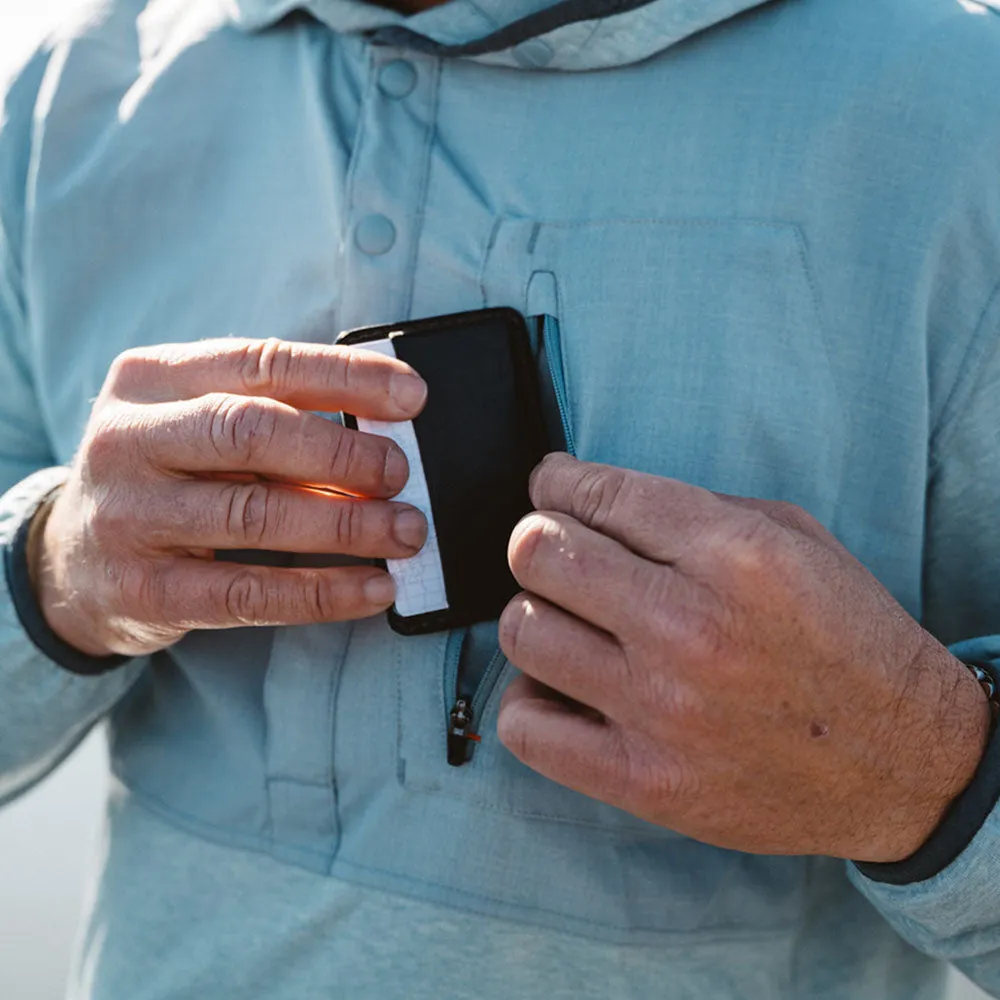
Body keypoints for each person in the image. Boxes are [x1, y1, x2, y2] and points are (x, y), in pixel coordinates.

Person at [1, 0, 1000, 996]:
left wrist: (922, 770)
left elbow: (927, 771)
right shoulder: (68, 87)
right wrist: (52, 568)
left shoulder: (964, 112)